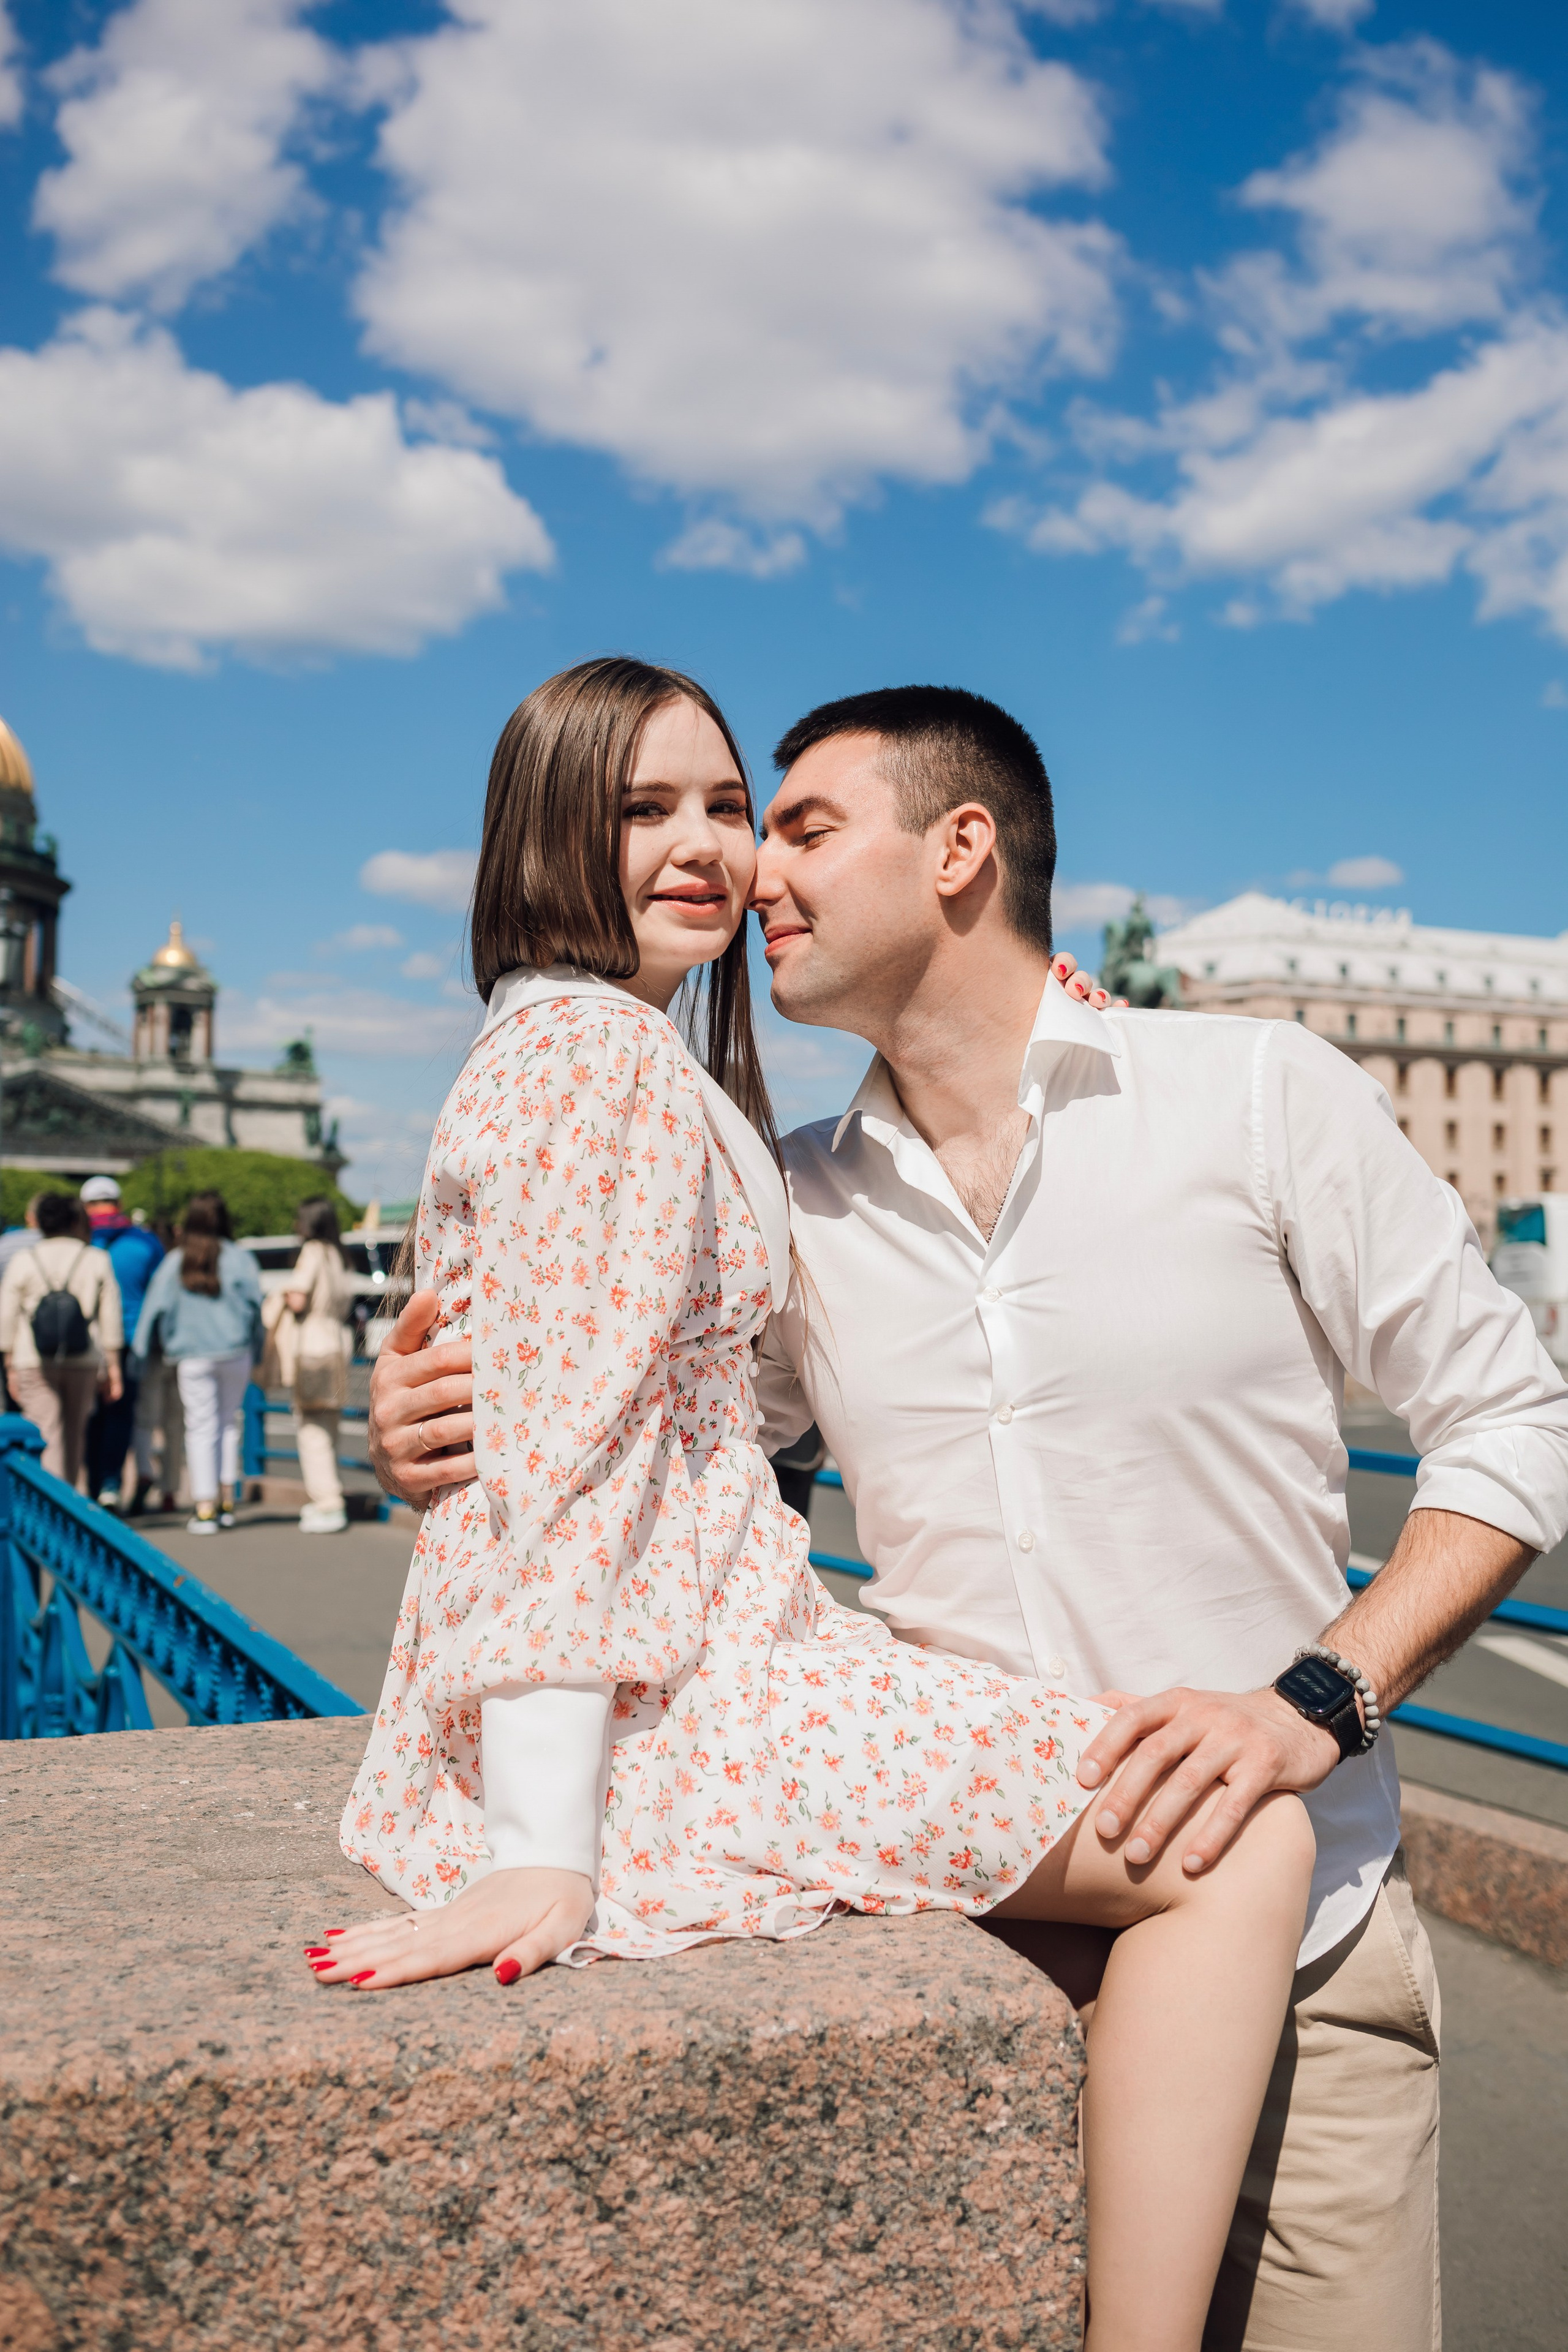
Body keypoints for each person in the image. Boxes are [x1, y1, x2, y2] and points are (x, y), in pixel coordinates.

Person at [369, 676, 1568, 2352]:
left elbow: (1512, 1418)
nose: (748, 870)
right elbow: (625, 1434)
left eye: (791, 825)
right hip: (979, 1939)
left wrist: (1319, 1701)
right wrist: (425, 1417)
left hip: (1306, 1955)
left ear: (960, 850)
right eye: (697, 818)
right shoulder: (788, 1194)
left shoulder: (1255, 1094)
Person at [132, 1192, 262, 1534]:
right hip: (235, 1352)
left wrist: (139, 1356)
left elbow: (152, 1311)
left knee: (201, 1427)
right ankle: (226, 1502)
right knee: (228, 1424)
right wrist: (258, 1351)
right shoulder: (240, 1259)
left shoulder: (176, 1261)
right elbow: (256, 1311)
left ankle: (204, 1508)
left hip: (191, 1355)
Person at [0, 1189, 124, 1485]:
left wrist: (9, 1364)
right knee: (75, 1433)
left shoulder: (24, 1259)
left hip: (33, 1358)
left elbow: (6, 1315)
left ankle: (55, 1507)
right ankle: (71, 1496)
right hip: (84, 1357)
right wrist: (114, 1367)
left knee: (47, 1431)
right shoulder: (96, 1258)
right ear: (73, 1220)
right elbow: (110, 1317)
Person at [262, 1196, 353, 1534]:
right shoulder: (338, 1255)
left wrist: (281, 1293)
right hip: (338, 1342)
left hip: (313, 1345)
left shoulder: (313, 1251)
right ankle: (333, 1494)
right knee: (328, 1424)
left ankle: (327, 1502)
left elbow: (299, 1297)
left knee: (311, 1427)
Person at [80, 1176, 165, 1511]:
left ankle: (92, 1484)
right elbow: (158, 1292)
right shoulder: (144, 1243)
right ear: (119, 1202)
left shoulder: (81, 1241)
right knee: (121, 1412)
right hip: (132, 1339)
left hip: (87, 1341)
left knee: (89, 1414)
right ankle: (112, 1483)